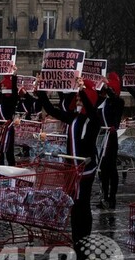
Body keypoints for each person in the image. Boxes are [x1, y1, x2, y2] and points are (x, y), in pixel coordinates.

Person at [36, 79, 102, 247]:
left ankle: (83, 237)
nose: (78, 102)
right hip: (72, 168)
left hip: (85, 168)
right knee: (74, 204)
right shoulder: (74, 117)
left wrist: (83, 90)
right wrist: (41, 91)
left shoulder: (94, 119)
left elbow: (92, 111)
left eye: (81, 100)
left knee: (83, 204)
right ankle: (76, 237)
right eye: (77, 100)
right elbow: (51, 110)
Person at [97, 72, 123, 209]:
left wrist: (108, 87)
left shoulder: (118, 101)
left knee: (111, 168)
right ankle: (104, 196)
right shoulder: (104, 101)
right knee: (102, 169)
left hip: (111, 138)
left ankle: (112, 197)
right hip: (101, 138)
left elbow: (115, 99)